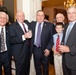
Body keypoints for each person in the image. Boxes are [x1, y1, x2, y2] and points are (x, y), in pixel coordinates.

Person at [30, 10, 53, 75]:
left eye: (42, 15)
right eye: (38, 15)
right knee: (37, 68)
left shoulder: (50, 26)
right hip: (35, 50)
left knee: (45, 68)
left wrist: (48, 49)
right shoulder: (32, 24)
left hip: (45, 50)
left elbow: (52, 39)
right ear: (36, 17)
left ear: (44, 17)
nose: (40, 17)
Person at [59, 6, 76, 75]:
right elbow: (65, 40)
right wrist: (60, 45)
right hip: (65, 61)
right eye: (69, 13)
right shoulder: (66, 27)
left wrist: (69, 49)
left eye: (73, 13)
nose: (71, 15)